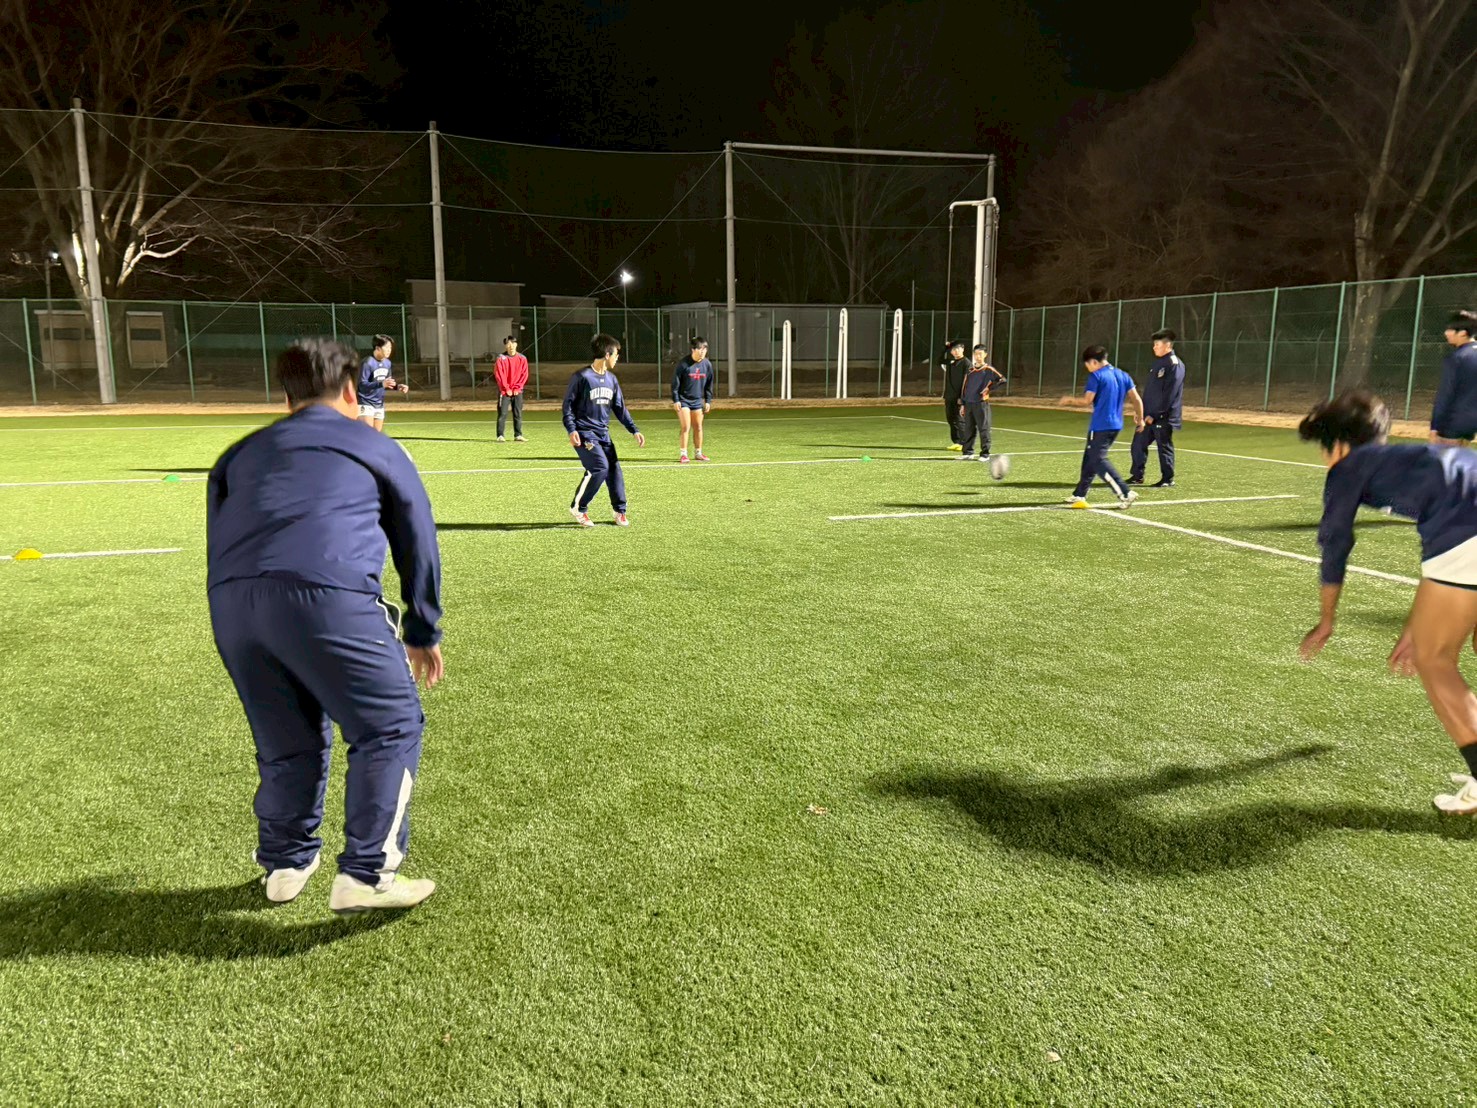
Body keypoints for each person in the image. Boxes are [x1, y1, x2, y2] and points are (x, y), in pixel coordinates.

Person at [207, 338, 443, 914]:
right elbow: (417, 534)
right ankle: (367, 873)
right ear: (350, 390)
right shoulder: (374, 445)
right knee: (391, 724)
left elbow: (220, 536)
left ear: (285, 397)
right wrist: (422, 628)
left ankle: (285, 864)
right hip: (326, 594)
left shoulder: (238, 454)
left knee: (286, 740)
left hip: (233, 606)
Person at [1297, 389, 1477, 814]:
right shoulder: (1414, 459)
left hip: (1465, 532)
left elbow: (1335, 544)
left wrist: (1326, 619)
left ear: (1338, 444)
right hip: (1464, 528)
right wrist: (1416, 625)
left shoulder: (1349, 468)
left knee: (1435, 660)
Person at [564, 333, 646, 527]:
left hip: (603, 434)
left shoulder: (612, 379)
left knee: (614, 469)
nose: (618, 358)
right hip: (584, 433)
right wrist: (571, 429)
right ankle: (578, 508)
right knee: (600, 467)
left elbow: (620, 408)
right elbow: (568, 406)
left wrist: (634, 430)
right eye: (616, 354)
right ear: (607, 354)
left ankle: (620, 510)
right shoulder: (582, 377)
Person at [1060, 345, 1144, 508]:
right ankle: (1079, 494)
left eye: (1087, 365)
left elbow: (1087, 401)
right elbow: (1136, 399)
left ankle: (1125, 493)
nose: (1088, 368)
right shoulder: (1123, 375)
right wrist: (1140, 418)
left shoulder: (1096, 376)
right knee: (1090, 458)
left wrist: (1069, 400)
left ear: (1093, 362)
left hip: (1101, 426)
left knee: (1098, 460)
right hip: (1115, 425)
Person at [1128, 328, 1186, 487]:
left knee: (1164, 447)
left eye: (1157, 345)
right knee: (1138, 444)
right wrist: (1141, 412)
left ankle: (1167, 479)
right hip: (1148, 415)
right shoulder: (1158, 363)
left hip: (1163, 417)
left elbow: (1170, 394)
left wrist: (1156, 414)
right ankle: (1137, 476)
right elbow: (1150, 392)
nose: (1154, 348)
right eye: (1154, 345)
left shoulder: (1174, 364)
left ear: (1167, 345)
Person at [1430, 310, 1477, 446]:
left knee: (1444, 459)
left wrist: (1435, 427)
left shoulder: (1456, 358)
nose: (1446, 333)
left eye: (1450, 330)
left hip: (1451, 425)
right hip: (1471, 426)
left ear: (1462, 333)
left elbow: (1445, 394)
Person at [958, 344, 1006, 460]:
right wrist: (963, 404)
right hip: (968, 403)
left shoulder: (989, 370)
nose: (978, 356)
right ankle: (968, 452)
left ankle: (985, 454)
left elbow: (1002, 379)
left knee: (984, 429)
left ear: (985, 355)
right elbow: (964, 387)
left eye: (980, 354)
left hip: (981, 404)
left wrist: (989, 388)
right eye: (976, 354)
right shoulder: (970, 371)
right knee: (968, 429)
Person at [672, 336, 715, 462]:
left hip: (697, 401)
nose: (702, 352)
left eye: (704, 349)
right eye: (700, 349)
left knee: (699, 427)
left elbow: (709, 384)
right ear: (693, 349)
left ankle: (698, 453)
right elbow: (675, 384)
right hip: (684, 400)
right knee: (686, 426)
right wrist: (676, 400)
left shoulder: (707, 364)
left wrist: (708, 400)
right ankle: (683, 454)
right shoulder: (683, 364)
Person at [358, 334, 406, 432]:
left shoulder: (387, 363)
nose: (389, 350)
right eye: (386, 347)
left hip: (379, 404)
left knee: (376, 436)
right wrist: (381, 384)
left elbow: (387, 382)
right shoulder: (367, 362)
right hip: (365, 402)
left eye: (390, 348)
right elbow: (361, 385)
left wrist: (397, 386)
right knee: (367, 435)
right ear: (377, 348)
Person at [494, 334, 529, 442]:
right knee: (502, 413)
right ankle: (500, 435)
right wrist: (506, 388)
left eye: (513, 343)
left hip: (517, 391)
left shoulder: (522, 358)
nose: (511, 346)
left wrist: (517, 388)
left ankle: (518, 435)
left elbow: (524, 375)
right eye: (508, 344)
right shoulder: (501, 358)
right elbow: (499, 375)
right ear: (505, 346)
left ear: (516, 344)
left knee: (518, 413)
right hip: (505, 392)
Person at [942, 340, 968, 451]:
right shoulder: (951, 362)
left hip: (959, 398)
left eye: (958, 349)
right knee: (951, 420)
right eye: (953, 349)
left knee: (960, 420)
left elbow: (967, 383)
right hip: (949, 396)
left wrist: (962, 398)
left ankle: (964, 443)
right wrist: (946, 348)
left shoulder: (966, 363)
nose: (956, 351)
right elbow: (938, 360)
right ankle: (957, 442)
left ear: (963, 349)